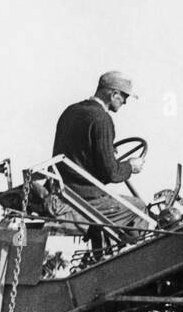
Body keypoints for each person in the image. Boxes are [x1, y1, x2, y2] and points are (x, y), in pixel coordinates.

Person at [52, 71, 146, 235]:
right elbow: (112, 174)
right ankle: (129, 254)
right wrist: (130, 166)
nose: (125, 102)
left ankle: (102, 252)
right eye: (124, 97)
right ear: (113, 94)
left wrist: (107, 150)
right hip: (85, 198)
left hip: (65, 191)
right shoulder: (102, 119)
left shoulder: (71, 111)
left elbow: (78, 151)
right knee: (139, 208)